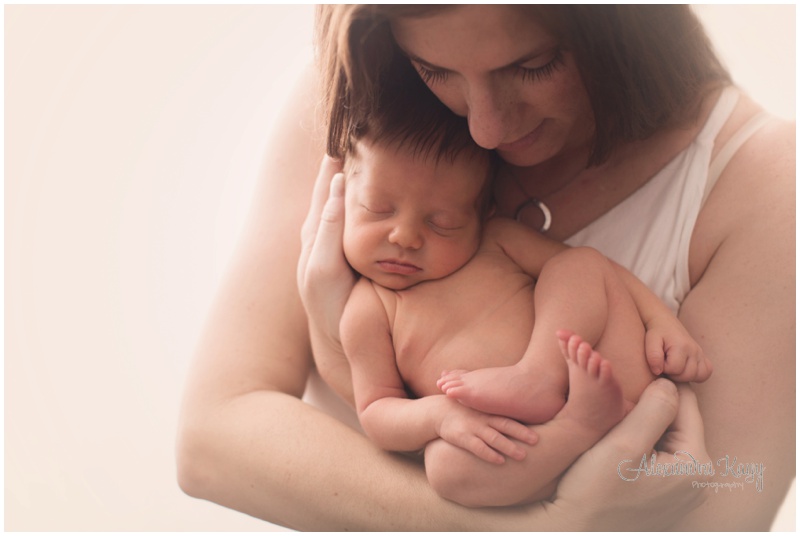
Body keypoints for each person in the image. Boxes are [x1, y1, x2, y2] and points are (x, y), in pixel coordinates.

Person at [177, 5, 794, 530]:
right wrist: (543, 526)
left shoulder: (766, 185)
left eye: (533, 66)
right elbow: (212, 440)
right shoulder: (364, 99)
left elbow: (721, 517)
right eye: (436, 70)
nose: (486, 127)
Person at [338, 91, 712, 506]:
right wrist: (440, 416)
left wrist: (662, 322)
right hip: (525, 445)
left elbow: (602, 274)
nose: (404, 237)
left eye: (441, 223)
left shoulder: (494, 242)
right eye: (377, 209)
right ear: (343, 201)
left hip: (609, 379)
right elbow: (375, 409)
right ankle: (578, 426)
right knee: (445, 468)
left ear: (483, 215)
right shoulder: (368, 308)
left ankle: (538, 374)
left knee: (581, 265)